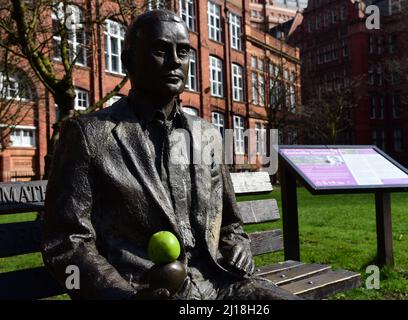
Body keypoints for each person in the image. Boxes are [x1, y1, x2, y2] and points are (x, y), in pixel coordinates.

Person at [42, 10, 299, 300]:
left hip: (222, 285)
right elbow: (66, 243)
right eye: (161, 50)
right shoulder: (89, 135)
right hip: (143, 291)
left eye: (183, 51)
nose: (176, 60)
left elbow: (229, 223)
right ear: (129, 62)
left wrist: (237, 245)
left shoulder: (206, 135)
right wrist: (120, 296)